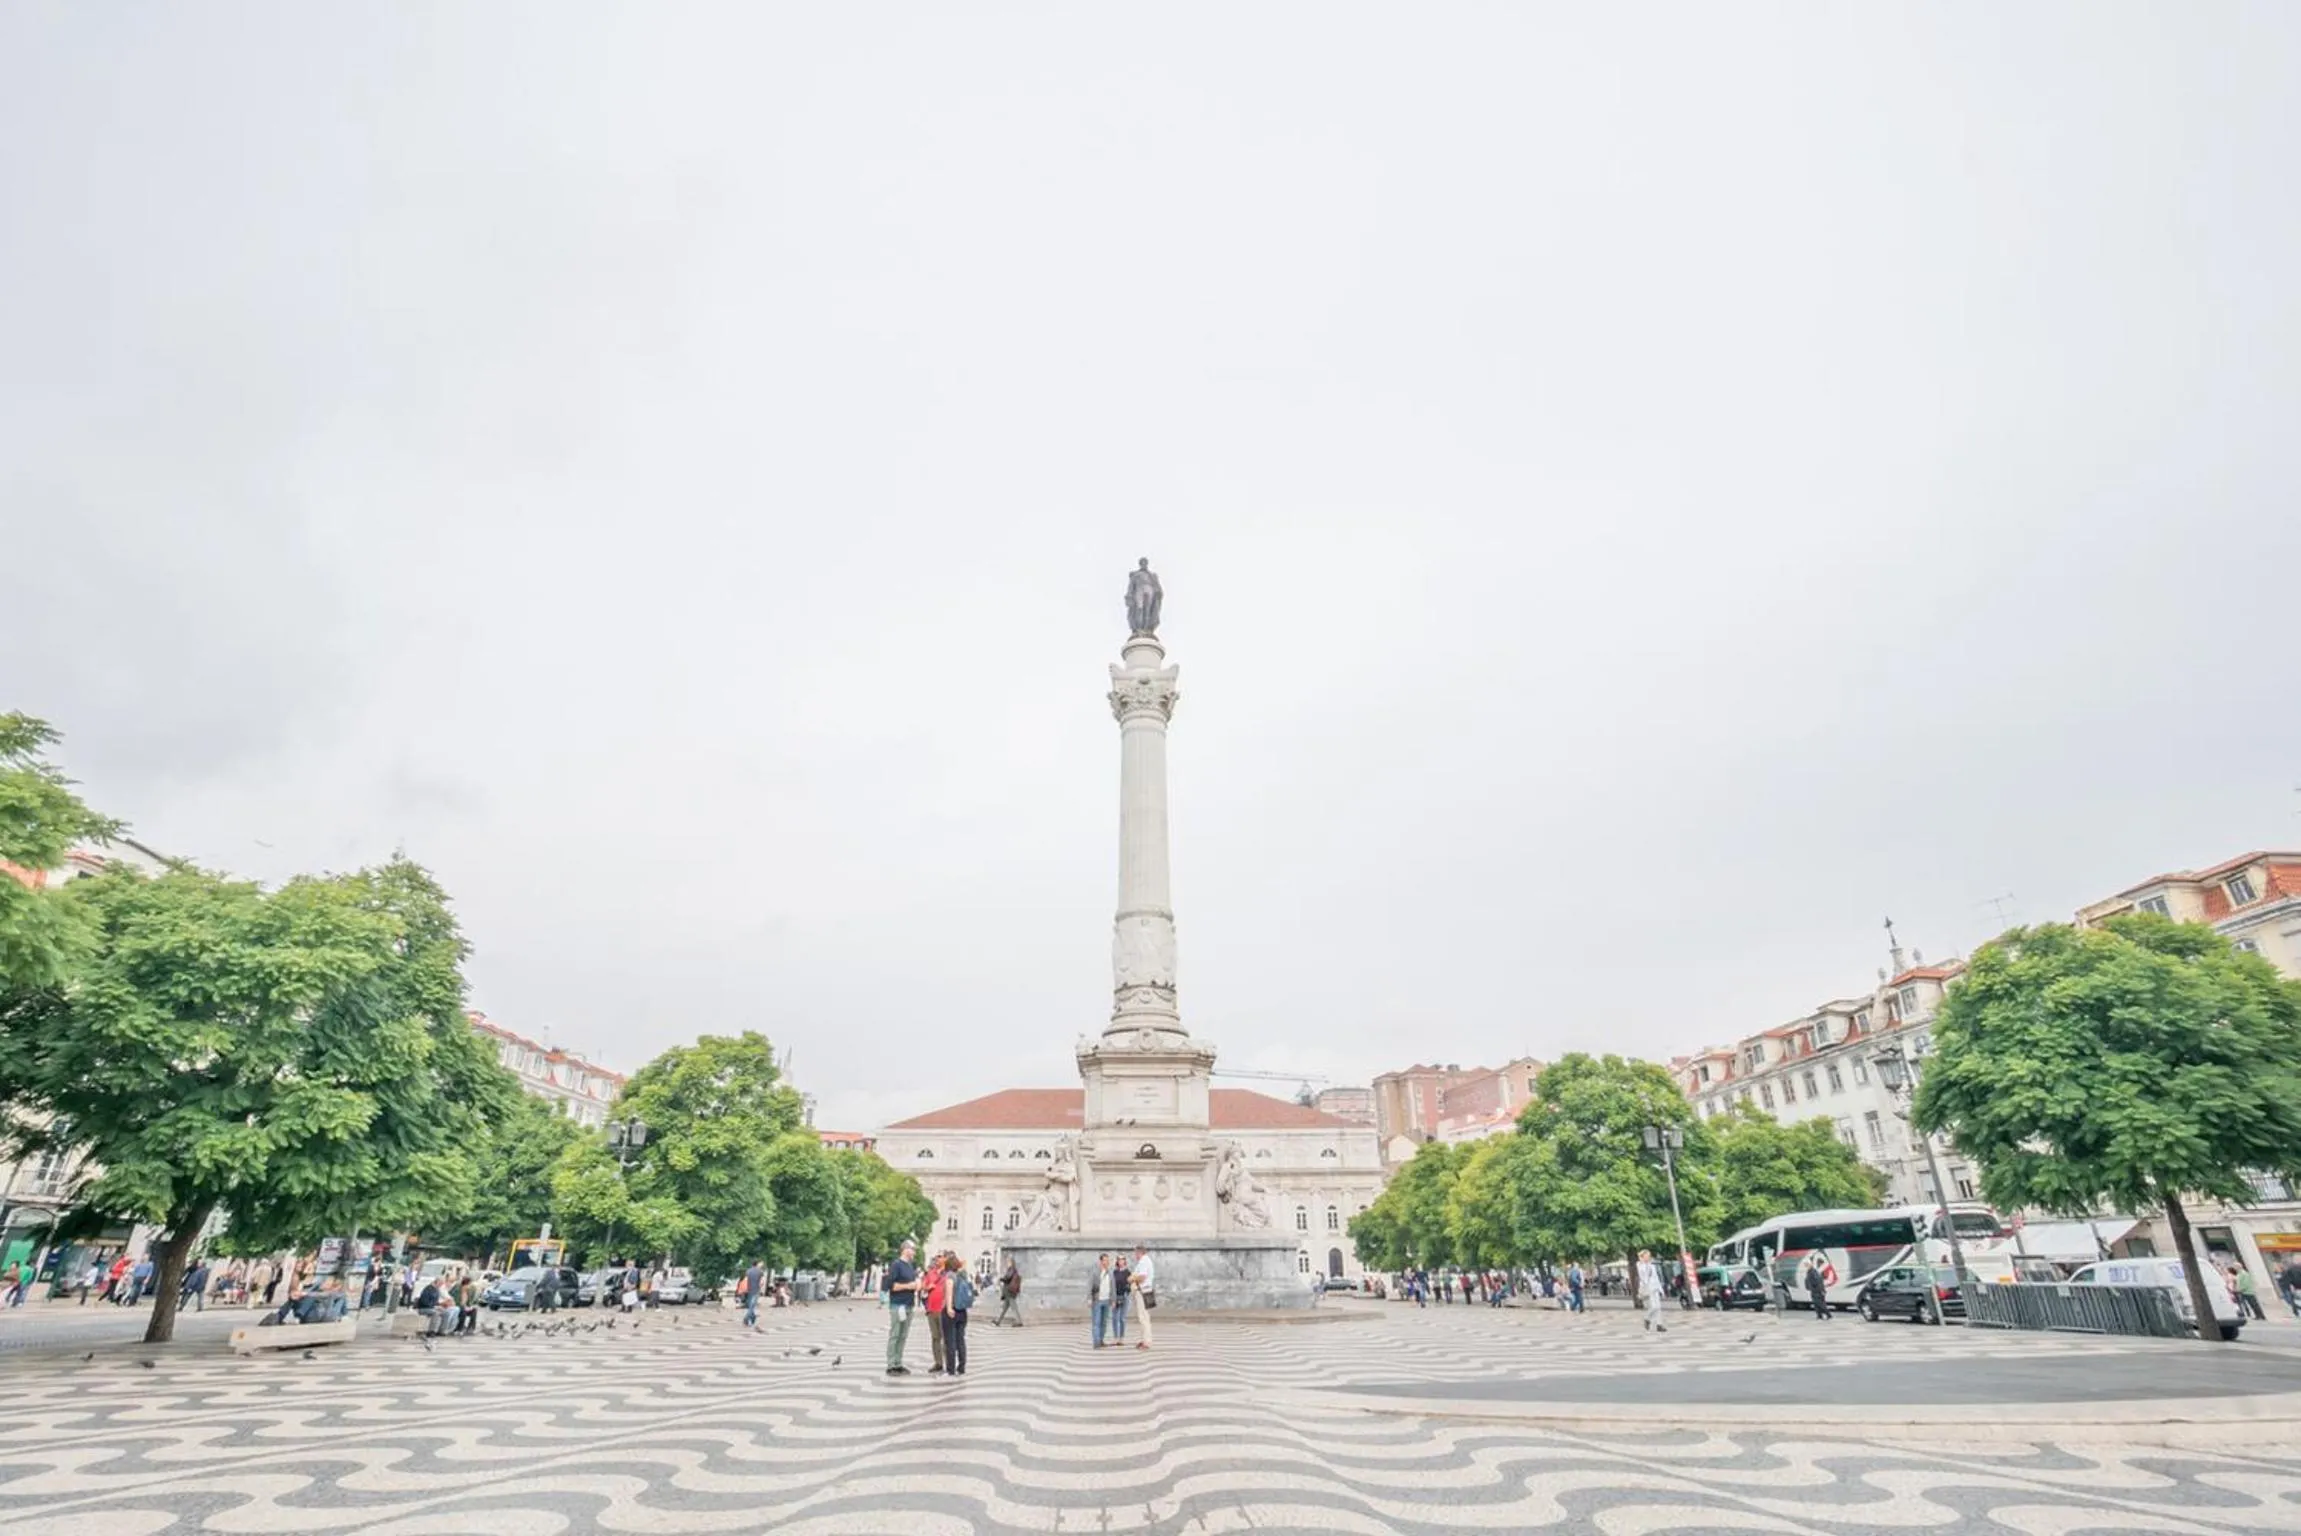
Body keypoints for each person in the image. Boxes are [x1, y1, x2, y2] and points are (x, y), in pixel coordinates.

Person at [884, 1239, 921, 1375]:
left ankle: (898, 1362)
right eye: (913, 1249)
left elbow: (913, 1282)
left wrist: (916, 1285)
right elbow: (892, 1286)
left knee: (903, 1335)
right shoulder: (896, 1265)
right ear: (906, 1250)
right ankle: (891, 1364)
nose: (914, 1252)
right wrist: (908, 1286)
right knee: (895, 1334)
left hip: (909, 1304)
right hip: (898, 1304)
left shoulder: (910, 1266)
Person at [942, 1256, 974, 1376]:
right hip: (962, 1311)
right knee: (960, 1340)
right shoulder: (963, 1276)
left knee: (950, 1341)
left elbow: (949, 1292)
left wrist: (949, 1307)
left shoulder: (950, 1276)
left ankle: (950, 1370)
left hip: (952, 1311)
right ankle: (961, 1367)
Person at [923, 1254, 951, 1374]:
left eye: (941, 1259)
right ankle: (938, 1362)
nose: (938, 1261)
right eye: (936, 1259)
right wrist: (928, 1286)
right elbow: (923, 1286)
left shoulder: (948, 1275)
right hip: (931, 1309)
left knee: (945, 1337)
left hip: (942, 1309)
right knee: (935, 1337)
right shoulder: (930, 1273)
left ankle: (948, 1363)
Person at [1129, 1243, 1156, 1350]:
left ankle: (1147, 1342)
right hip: (1143, 1291)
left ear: (1139, 1252)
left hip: (1142, 1291)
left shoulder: (1144, 1261)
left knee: (1144, 1317)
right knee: (1144, 1317)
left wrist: (1132, 1279)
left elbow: (1142, 1277)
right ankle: (1145, 1339)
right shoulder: (1144, 1261)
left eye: (1135, 1253)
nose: (1135, 1255)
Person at [1635, 1250, 1666, 1333]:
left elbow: (1656, 1277)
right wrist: (1644, 1264)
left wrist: (1660, 1289)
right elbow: (1643, 1276)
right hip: (1648, 1289)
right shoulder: (1640, 1265)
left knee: (1658, 1307)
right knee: (1654, 1307)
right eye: (1647, 1256)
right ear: (1642, 1256)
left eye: (1649, 1255)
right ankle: (1647, 1318)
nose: (1648, 1257)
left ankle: (1659, 1324)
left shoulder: (1652, 1266)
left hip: (1655, 1287)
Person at [1090, 1253, 1115, 1347]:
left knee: (1104, 1322)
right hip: (1097, 1300)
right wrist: (1089, 1298)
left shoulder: (1110, 1273)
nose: (1106, 1262)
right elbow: (1090, 1285)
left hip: (1107, 1300)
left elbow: (1113, 1287)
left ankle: (1101, 1340)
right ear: (1100, 1261)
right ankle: (1096, 1342)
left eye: (1107, 1261)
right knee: (1096, 1321)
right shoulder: (1095, 1272)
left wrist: (1113, 1300)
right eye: (1104, 1260)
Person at [993, 1260, 1023, 1327]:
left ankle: (1019, 1322)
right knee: (1004, 1308)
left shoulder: (1012, 1269)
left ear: (1011, 1263)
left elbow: (1007, 1278)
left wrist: (1001, 1279)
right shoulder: (1011, 1270)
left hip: (1010, 1292)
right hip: (1008, 1292)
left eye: (1008, 1262)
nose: (1007, 1263)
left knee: (1014, 1307)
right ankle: (998, 1321)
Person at [1802, 1254, 1831, 1321]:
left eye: (1806, 1264)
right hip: (1814, 1290)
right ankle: (1819, 1316)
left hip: (1817, 1291)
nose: (1805, 1266)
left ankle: (1828, 1315)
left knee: (1820, 1304)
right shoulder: (1810, 1271)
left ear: (1809, 1264)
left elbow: (1818, 1282)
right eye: (1805, 1265)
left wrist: (1821, 1290)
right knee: (1816, 1304)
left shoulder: (1812, 1271)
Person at [1110, 1255, 1130, 1343]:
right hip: (1116, 1296)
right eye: (1119, 1259)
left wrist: (1127, 1292)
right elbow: (1112, 1285)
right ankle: (1115, 1337)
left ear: (1125, 1261)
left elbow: (1130, 1284)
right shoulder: (1114, 1272)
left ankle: (1122, 1338)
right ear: (1117, 1261)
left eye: (1122, 1259)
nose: (1121, 1261)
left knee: (1122, 1318)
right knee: (1115, 1318)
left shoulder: (1128, 1272)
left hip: (1124, 1296)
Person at [742, 1260, 766, 1329]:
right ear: (757, 1264)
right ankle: (746, 1319)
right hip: (756, 1290)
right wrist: (760, 1288)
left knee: (751, 1305)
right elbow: (762, 1282)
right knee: (752, 1306)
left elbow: (745, 1280)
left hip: (749, 1290)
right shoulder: (760, 1272)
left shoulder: (748, 1271)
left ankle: (752, 1319)